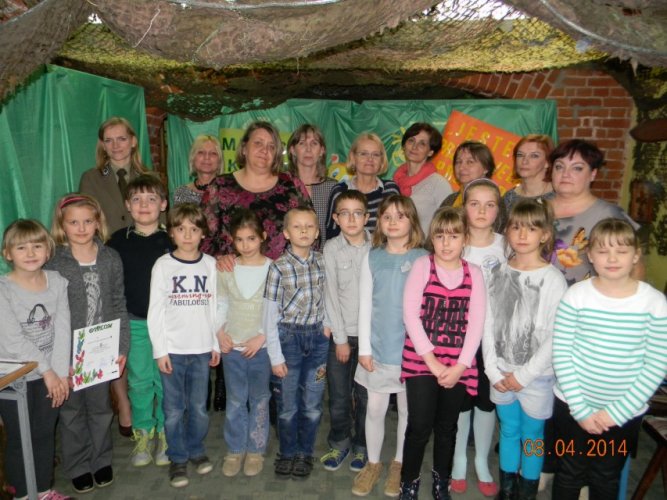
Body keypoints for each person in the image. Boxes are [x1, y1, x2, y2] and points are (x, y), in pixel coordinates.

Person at [552, 218, 667, 500]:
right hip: (572, 406)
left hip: (624, 413)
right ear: (590, 256)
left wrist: (617, 413)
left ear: (636, 255)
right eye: (603, 251)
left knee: (606, 476)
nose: (612, 259)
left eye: (621, 251)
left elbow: (656, 363)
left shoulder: (654, 303)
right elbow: (562, 353)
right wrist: (580, 409)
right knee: (569, 472)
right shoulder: (576, 296)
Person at [482, 199, 568, 500]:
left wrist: (525, 375)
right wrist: (492, 370)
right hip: (500, 372)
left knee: (532, 435)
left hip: (536, 377)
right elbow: (487, 324)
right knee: (508, 430)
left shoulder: (553, 280)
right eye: (516, 227)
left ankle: (528, 490)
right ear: (507, 231)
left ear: (544, 235)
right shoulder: (497, 273)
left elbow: (556, 335)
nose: (522, 234)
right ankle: (508, 491)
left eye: (531, 228)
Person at [399, 207, 486, 500]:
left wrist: (460, 366)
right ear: (432, 239)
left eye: (454, 236)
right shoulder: (422, 266)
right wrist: (433, 363)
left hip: (459, 364)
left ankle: (441, 481)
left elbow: (476, 324)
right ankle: (408, 481)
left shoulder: (474, 274)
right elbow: (411, 316)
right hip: (422, 361)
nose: (446, 243)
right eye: (440, 236)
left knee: (447, 428)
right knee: (419, 426)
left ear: (465, 239)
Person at [46, 194, 129, 494]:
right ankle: (78, 466)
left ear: (97, 223)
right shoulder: (54, 263)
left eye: (87, 221)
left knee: (100, 408)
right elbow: (50, 314)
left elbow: (118, 303)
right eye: (73, 222)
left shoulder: (110, 258)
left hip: (101, 349)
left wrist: (121, 347)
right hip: (67, 352)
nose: (81, 228)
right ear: (62, 225)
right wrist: (58, 360)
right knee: (71, 413)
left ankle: (101, 460)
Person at [352, 195, 427, 498]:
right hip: (379, 347)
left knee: (408, 410)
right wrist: (364, 349)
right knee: (375, 408)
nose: (393, 222)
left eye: (401, 216)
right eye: (387, 217)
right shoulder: (372, 257)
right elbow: (365, 305)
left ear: (412, 221)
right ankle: (373, 463)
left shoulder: (424, 258)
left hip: (411, 350)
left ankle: (398, 463)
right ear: (379, 222)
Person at [79, 116, 149, 435]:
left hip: (141, 262)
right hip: (107, 260)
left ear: (133, 141)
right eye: (109, 140)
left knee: (142, 332)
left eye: (122, 138)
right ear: (102, 146)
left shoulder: (148, 177)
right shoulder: (91, 178)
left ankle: (147, 395)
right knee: (114, 332)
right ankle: (123, 403)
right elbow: (86, 220)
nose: (116, 145)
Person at [147, 203, 220, 488]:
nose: (187, 235)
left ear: (203, 233)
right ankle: (177, 457)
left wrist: (215, 344)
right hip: (173, 352)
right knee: (174, 409)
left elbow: (215, 307)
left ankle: (196, 450)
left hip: (201, 350)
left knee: (199, 406)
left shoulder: (210, 264)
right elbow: (155, 311)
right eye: (181, 229)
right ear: (171, 233)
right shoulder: (163, 265)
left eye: (194, 229)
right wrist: (160, 351)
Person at [0, 220, 71, 500]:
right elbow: (12, 340)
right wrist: (48, 371)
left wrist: (60, 374)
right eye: (21, 248)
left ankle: (43, 490)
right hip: (14, 377)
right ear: (8, 253)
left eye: (37, 246)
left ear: (48, 250)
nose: (30, 253)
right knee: (20, 437)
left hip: (49, 374)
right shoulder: (3, 289)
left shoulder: (57, 282)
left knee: (43, 433)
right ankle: (22, 493)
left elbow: (63, 329)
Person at [107, 175, 173, 468]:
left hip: (168, 325)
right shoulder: (117, 242)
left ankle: (166, 432)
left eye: (151, 199)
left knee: (165, 381)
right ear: (127, 205)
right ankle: (143, 432)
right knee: (139, 380)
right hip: (134, 322)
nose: (144, 205)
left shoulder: (173, 240)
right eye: (137, 199)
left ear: (163, 204)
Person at [263, 206, 328, 480]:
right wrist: (275, 357)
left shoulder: (322, 261)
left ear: (317, 232)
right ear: (287, 233)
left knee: (312, 403)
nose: (304, 231)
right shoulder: (277, 267)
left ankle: (305, 452)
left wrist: (327, 326)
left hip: (318, 340)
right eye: (297, 226)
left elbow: (327, 297)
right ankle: (287, 452)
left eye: (309, 226)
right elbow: (269, 316)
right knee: (287, 404)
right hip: (288, 340)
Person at [450, 178, 506, 497]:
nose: (482, 211)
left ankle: (481, 460)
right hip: (459, 337)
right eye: (474, 204)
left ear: (498, 209)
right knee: (461, 400)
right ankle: (459, 459)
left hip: (494, 340)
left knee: (486, 401)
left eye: (489, 204)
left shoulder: (507, 245)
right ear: (464, 207)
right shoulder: (455, 242)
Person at [201, 120, 310, 262]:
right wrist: (219, 259)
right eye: (258, 143)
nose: (265, 150)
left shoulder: (292, 185)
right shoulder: (219, 186)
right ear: (244, 148)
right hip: (233, 272)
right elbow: (202, 236)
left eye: (271, 146)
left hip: (285, 272)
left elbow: (311, 230)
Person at [217, 209, 272, 478]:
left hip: (261, 348)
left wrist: (262, 335)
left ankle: (256, 448)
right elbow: (221, 303)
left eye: (251, 238)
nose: (245, 245)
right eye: (239, 240)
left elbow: (277, 310)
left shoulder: (273, 269)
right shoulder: (227, 269)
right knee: (236, 399)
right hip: (233, 348)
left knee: (259, 398)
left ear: (263, 237)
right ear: (232, 240)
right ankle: (236, 448)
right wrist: (219, 333)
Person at [320, 190, 371, 473]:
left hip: (369, 339)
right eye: (345, 213)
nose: (351, 219)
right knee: (339, 396)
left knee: (365, 396)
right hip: (341, 337)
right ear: (336, 218)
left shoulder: (377, 247)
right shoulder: (331, 249)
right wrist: (340, 339)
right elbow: (330, 296)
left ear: (367, 217)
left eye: (357, 213)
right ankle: (340, 442)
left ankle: (362, 446)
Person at [550, 139, 642, 286]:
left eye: (577, 168)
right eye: (559, 167)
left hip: (586, 298)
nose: (565, 174)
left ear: (593, 174)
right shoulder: (535, 208)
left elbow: (635, 267)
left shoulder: (609, 215)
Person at [325, 132, 400, 241]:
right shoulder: (339, 192)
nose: (370, 159)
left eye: (375, 154)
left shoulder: (390, 190)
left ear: (382, 160)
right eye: (364, 154)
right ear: (353, 157)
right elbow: (331, 234)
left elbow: (399, 231)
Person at [393, 123, 453, 234]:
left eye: (422, 144)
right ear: (404, 145)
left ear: (430, 152)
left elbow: (450, 222)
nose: (414, 147)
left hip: (427, 245)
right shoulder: (394, 184)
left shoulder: (438, 184)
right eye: (411, 141)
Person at [287, 124, 337, 245]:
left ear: (322, 151)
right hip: (286, 255)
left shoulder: (334, 188)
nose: (308, 149)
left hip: (325, 255)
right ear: (292, 150)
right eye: (302, 143)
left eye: (314, 143)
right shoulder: (281, 186)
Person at [503, 134, 555, 213]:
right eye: (520, 155)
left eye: (534, 156)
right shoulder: (509, 198)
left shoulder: (559, 195)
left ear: (547, 162)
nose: (524, 161)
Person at [440, 141, 495, 208]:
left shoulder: (493, 201)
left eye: (470, 162)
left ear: (486, 168)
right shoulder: (450, 200)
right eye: (458, 162)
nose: (461, 167)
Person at [173, 135, 223, 206]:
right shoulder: (181, 193)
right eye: (201, 152)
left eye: (213, 153)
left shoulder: (229, 193)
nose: (207, 157)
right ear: (192, 158)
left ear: (219, 161)